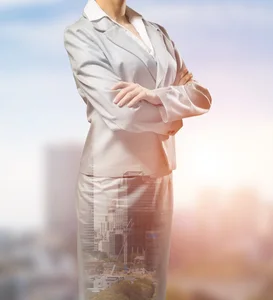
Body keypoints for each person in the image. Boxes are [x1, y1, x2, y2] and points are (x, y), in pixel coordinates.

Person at [63, 0, 212, 298]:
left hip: (159, 176)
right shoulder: (81, 34)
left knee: (151, 290)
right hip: (112, 185)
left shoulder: (157, 32)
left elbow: (201, 96)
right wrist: (172, 112)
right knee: (111, 291)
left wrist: (153, 96)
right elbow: (122, 114)